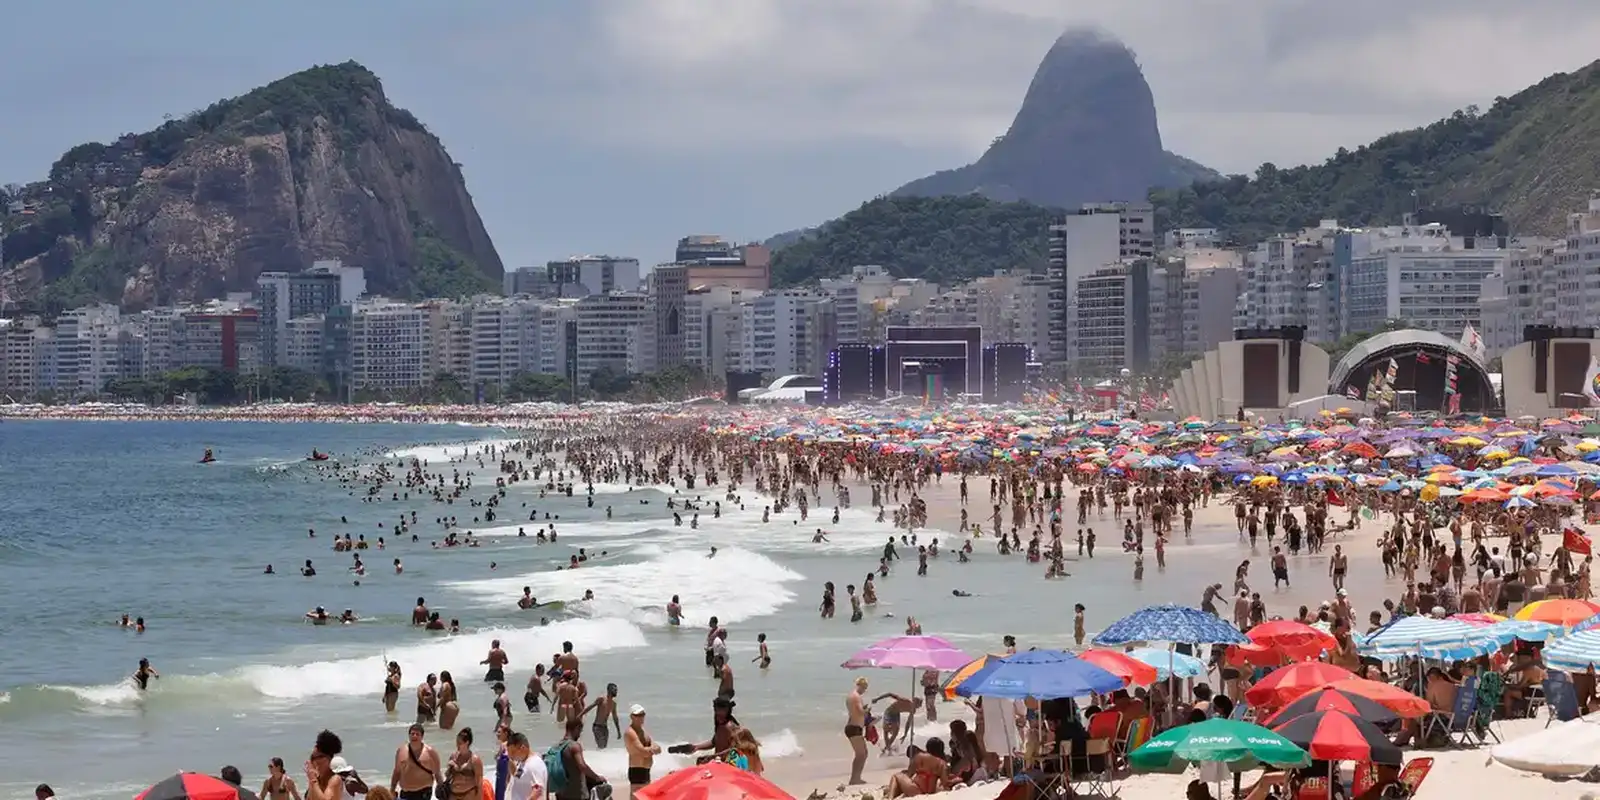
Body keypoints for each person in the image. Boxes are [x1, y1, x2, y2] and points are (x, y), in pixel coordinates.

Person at [552, 717, 609, 800]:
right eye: (580, 731)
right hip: (575, 793)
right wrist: (597, 777)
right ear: (576, 728)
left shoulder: (556, 747)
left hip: (560, 793)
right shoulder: (574, 746)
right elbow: (582, 766)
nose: (579, 735)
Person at [390, 723, 441, 800]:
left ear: (422, 737)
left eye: (417, 734)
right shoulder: (401, 751)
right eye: (412, 734)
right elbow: (397, 772)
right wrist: (392, 789)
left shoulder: (430, 752)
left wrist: (442, 791)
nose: (414, 736)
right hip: (405, 792)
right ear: (409, 735)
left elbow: (437, 773)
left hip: (423, 792)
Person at [622, 705, 661, 799]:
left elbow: (658, 748)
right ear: (632, 716)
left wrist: (651, 749)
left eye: (642, 715)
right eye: (637, 715)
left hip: (646, 770)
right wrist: (652, 749)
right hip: (636, 769)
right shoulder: (630, 732)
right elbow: (643, 752)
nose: (640, 717)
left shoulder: (643, 731)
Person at [304, 730, 347, 800]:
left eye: (319, 757)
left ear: (330, 759)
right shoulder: (317, 781)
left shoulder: (335, 779)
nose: (315, 761)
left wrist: (313, 780)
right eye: (312, 758)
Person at [504, 731, 547, 800]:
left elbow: (538, 790)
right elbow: (517, 776)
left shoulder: (534, 763)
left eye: (513, 752)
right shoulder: (523, 762)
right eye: (509, 753)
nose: (511, 755)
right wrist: (509, 760)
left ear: (522, 748)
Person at [444, 728, 483, 800]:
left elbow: (479, 783)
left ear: (467, 742)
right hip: (453, 794)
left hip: (468, 794)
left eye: (460, 743)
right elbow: (447, 776)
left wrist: (479, 798)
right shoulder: (453, 756)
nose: (457, 745)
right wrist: (449, 768)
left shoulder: (474, 760)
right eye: (457, 742)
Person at [846, 676, 869, 785]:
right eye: (864, 688)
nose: (864, 690)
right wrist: (867, 711)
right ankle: (855, 778)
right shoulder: (856, 696)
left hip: (852, 726)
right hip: (854, 728)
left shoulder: (850, 696)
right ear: (861, 686)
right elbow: (860, 711)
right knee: (861, 754)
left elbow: (853, 712)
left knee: (861, 754)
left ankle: (856, 777)